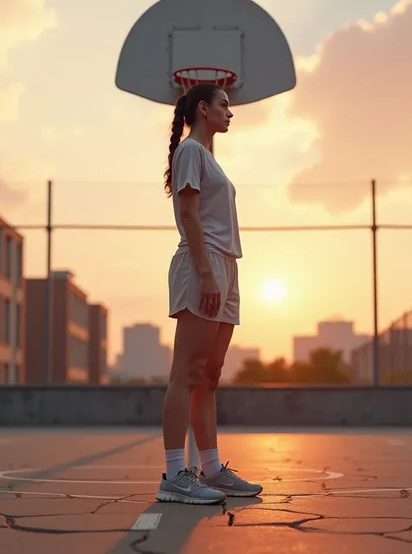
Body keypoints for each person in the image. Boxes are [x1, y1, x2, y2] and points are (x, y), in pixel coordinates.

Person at [154, 83, 263, 505]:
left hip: (226, 266)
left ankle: (212, 469)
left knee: (210, 376)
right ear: (203, 108)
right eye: (224, 105)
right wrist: (205, 273)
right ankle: (174, 476)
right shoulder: (190, 152)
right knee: (187, 372)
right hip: (204, 264)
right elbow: (187, 214)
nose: (230, 113)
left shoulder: (208, 156)